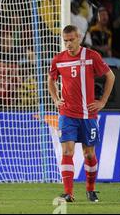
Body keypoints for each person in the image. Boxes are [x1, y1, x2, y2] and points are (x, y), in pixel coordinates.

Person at [48, 25, 115, 203]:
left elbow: (110, 76)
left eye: (72, 40)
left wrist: (102, 101)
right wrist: (55, 99)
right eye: (65, 41)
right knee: (67, 151)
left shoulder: (92, 56)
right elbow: (51, 80)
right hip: (67, 114)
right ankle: (68, 193)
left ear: (79, 37)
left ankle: (90, 190)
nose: (68, 44)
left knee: (89, 154)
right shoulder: (58, 60)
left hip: (88, 115)